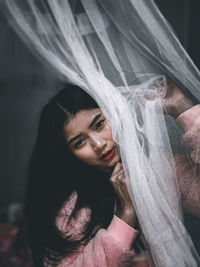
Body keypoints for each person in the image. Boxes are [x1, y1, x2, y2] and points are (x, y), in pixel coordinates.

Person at [15, 81, 200, 266]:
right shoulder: (71, 210)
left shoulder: (161, 169)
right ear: (69, 154)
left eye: (99, 124)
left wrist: (182, 108)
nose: (98, 144)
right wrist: (125, 216)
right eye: (79, 143)